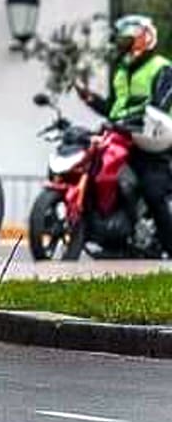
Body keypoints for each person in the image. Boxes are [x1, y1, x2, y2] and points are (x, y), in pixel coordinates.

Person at [75, 14, 172, 256]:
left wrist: (136, 118)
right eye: (124, 35)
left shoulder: (161, 67)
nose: (126, 38)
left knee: (153, 190)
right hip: (119, 136)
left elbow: (161, 104)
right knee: (99, 173)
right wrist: (90, 99)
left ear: (147, 37)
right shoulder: (121, 70)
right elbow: (114, 109)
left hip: (151, 140)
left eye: (133, 33)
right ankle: (111, 236)